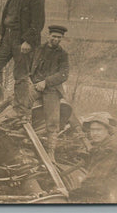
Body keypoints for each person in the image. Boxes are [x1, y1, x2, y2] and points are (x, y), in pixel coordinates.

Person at [30, 25, 69, 159]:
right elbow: (30, 66)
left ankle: (50, 152)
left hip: (51, 89)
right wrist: (30, 81)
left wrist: (46, 82)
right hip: (35, 85)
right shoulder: (39, 49)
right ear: (48, 36)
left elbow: (64, 74)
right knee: (19, 101)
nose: (56, 39)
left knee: (53, 120)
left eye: (59, 37)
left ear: (62, 38)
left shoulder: (63, 55)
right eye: (54, 36)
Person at [69, 112, 117, 203]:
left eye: (99, 130)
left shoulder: (109, 149)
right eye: (92, 130)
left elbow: (95, 181)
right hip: (100, 194)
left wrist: (70, 193)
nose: (95, 133)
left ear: (107, 130)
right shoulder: (101, 146)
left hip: (102, 197)